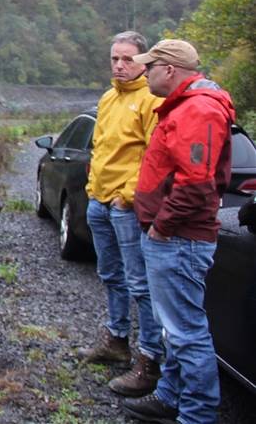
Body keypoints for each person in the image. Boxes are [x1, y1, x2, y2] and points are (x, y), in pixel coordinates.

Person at [122, 39, 235, 424]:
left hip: (178, 240)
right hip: (173, 238)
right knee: (175, 329)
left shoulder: (198, 110)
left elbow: (196, 183)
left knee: (186, 332)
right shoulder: (185, 107)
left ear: (169, 70)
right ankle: (169, 397)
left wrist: (161, 228)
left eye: (149, 67)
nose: (144, 72)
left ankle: (197, 415)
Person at [78, 31, 164, 397]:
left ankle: (149, 360)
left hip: (125, 206)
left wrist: (127, 196)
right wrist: (93, 190)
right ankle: (116, 340)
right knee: (110, 274)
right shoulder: (109, 97)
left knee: (140, 284)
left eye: (128, 59)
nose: (119, 65)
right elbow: (101, 147)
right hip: (99, 200)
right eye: (115, 58)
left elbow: (154, 156)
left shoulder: (151, 100)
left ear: (143, 62)